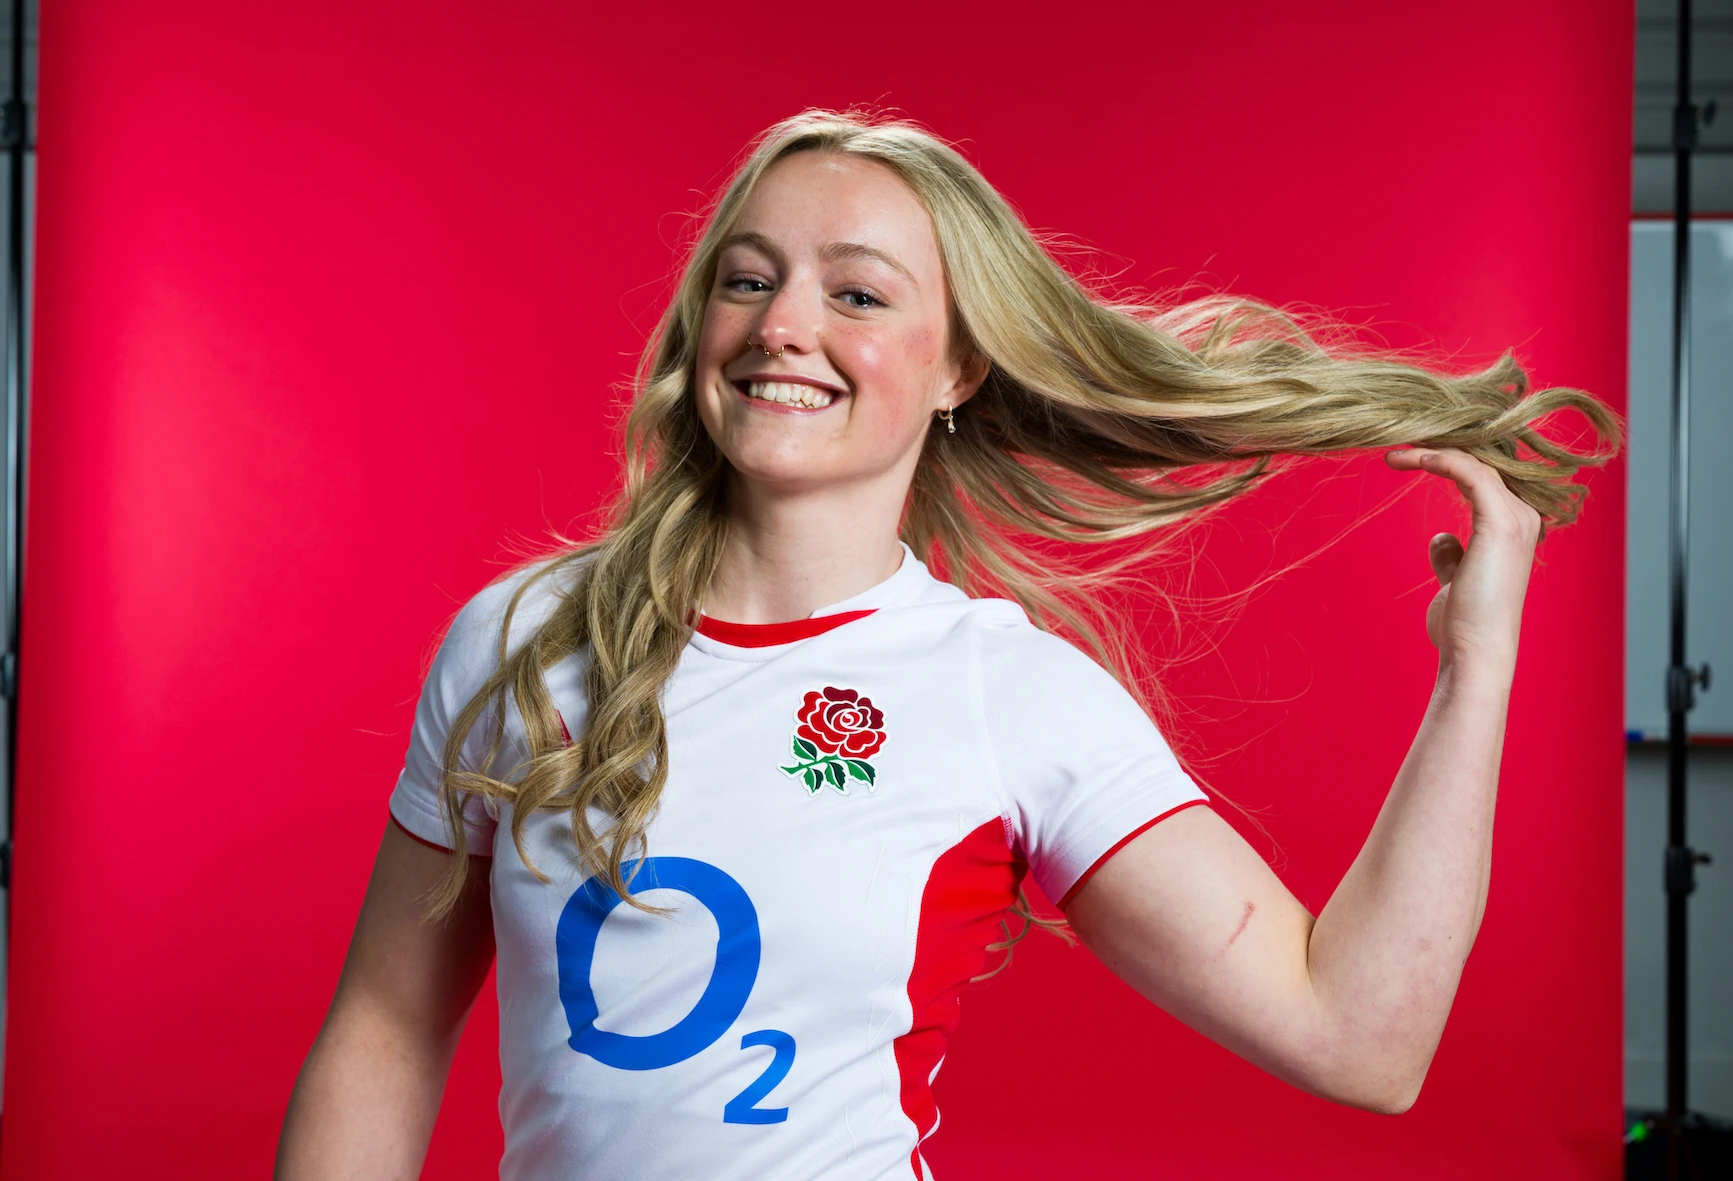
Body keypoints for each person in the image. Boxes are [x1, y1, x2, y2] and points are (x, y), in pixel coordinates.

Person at [274, 110, 1617, 1180]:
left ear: (958, 365)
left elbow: (1359, 1037)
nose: (783, 325)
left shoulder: (1002, 693)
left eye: (856, 294)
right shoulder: (520, 641)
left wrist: (1474, 665)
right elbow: (388, 1029)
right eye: (748, 280)